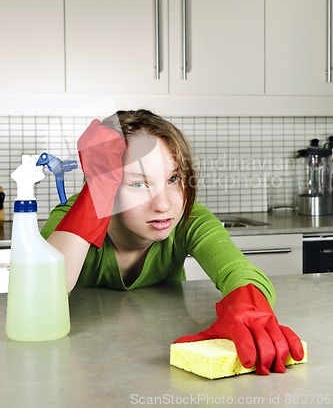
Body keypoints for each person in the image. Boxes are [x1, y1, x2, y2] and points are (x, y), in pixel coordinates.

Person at [41, 109, 304, 375]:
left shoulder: (189, 219)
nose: (164, 204)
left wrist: (249, 305)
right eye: (139, 184)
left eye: (174, 179)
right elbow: (39, 295)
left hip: (166, 360)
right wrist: (95, 193)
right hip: (77, 364)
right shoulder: (71, 219)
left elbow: (238, 271)